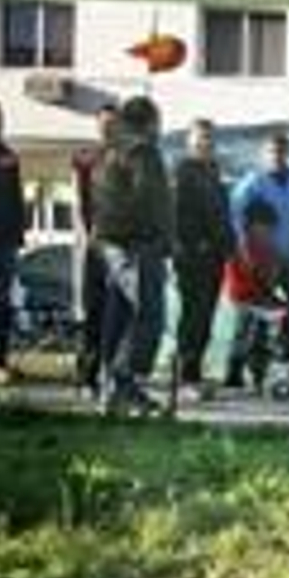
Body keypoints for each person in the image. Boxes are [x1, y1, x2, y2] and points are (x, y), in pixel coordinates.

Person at [94, 96, 171, 414]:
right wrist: (162, 239)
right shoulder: (143, 152)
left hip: (113, 245)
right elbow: (149, 200)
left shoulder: (111, 151)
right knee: (150, 314)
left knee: (121, 316)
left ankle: (111, 387)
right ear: (150, 122)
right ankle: (124, 382)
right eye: (158, 121)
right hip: (137, 244)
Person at [231, 132, 289, 377]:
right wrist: (244, 250)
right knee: (252, 317)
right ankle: (236, 369)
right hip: (262, 261)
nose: (277, 156)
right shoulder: (252, 182)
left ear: (288, 153)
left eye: (281, 151)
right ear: (263, 154)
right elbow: (235, 217)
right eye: (271, 152)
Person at [171, 118, 235, 398]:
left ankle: (194, 374)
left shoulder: (213, 171)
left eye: (209, 138)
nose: (205, 143)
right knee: (193, 316)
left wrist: (229, 246)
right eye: (199, 139)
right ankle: (185, 378)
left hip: (216, 257)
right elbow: (176, 215)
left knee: (205, 316)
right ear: (189, 142)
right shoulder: (182, 171)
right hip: (192, 256)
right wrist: (193, 244)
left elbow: (222, 214)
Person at [71, 103, 119, 395]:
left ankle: (111, 375)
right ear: (97, 125)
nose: (108, 128)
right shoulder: (85, 157)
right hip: (91, 247)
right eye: (104, 123)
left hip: (120, 248)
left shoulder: (129, 159)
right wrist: (87, 236)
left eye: (114, 123)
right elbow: (78, 201)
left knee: (118, 315)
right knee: (91, 313)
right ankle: (86, 377)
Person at [221, 198, 285, 393]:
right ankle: (234, 372)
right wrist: (262, 292)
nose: (267, 232)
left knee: (261, 335)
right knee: (243, 334)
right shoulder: (243, 245)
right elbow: (240, 275)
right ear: (252, 225)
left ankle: (258, 374)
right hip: (244, 296)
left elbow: (272, 273)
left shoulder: (270, 247)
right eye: (264, 227)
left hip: (260, 298)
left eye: (269, 229)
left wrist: (270, 292)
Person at [0, 99, 26, 385]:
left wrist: (19, 233)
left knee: (2, 300)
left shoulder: (9, 156)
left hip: (4, 238)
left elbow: (16, 196)